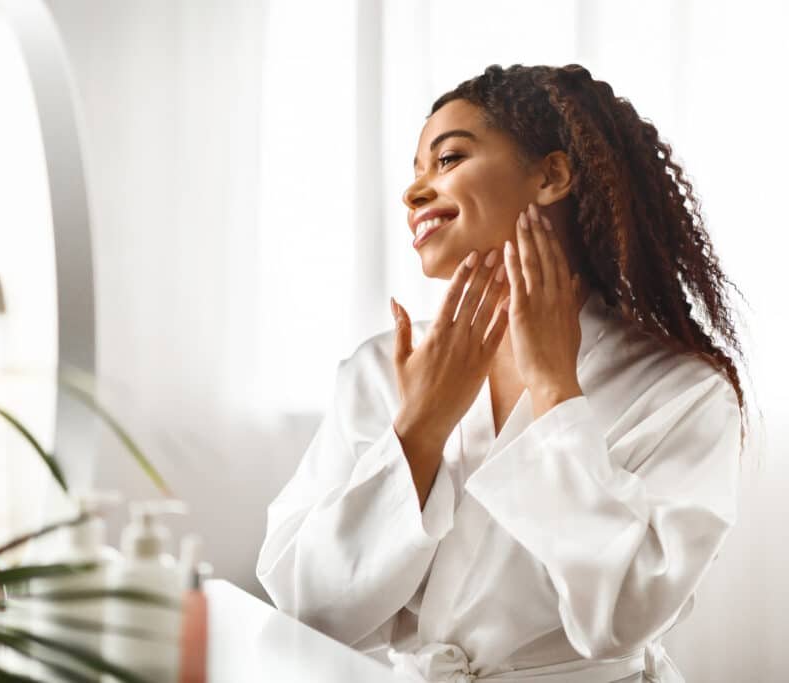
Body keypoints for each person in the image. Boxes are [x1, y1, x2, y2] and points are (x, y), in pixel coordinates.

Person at [256, 63, 751, 683]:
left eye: (448, 159)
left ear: (551, 175)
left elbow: (620, 618)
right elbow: (306, 606)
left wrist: (554, 392)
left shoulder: (682, 391)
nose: (413, 194)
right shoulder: (379, 371)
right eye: (413, 172)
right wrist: (419, 430)